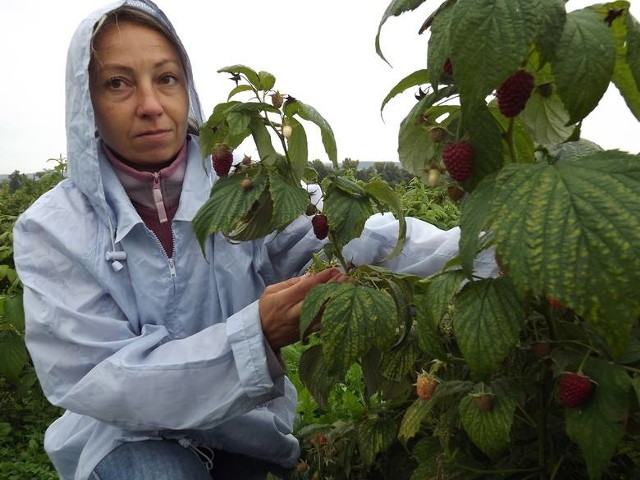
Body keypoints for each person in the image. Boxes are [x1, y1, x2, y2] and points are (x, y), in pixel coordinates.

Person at [12, 1, 495, 479]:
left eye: (166, 78)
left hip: (244, 431)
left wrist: (489, 249)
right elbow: (104, 381)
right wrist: (254, 335)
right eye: (117, 83)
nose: (151, 106)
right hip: (122, 440)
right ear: (86, 102)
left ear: (188, 89)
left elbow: (354, 238)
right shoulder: (52, 230)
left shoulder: (251, 189)